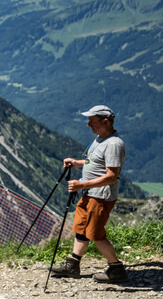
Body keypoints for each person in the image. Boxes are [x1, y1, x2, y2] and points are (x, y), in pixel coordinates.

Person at [51, 105, 128, 283]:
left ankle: (117, 269)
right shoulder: (100, 139)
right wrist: (77, 163)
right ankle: (72, 265)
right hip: (90, 193)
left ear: (105, 121)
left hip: (101, 196)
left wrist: (81, 184)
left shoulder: (114, 144)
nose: (88, 125)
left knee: (95, 234)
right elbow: (93, 161)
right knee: (81, 228)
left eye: (92, 121)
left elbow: (111, 176)